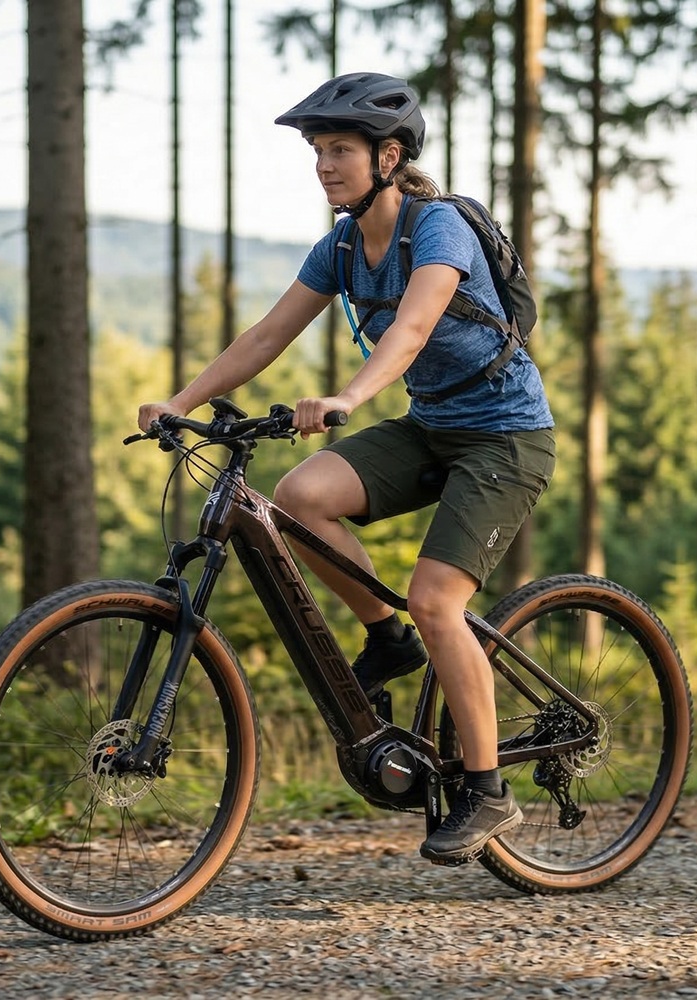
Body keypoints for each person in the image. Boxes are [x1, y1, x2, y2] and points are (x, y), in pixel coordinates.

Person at [137, 72, 557, 864]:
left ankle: (488, 791)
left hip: (506, 439)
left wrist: (348, 396)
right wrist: (179, 401)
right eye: (319, 151)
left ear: (388, 157)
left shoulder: (438, 228)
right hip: (432, 428)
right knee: (299, 496)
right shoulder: (340, 247)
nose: (325, 165)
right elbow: (268, 336)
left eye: (340, 150)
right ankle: (386, 640)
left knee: (438, 600)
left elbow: (413, 327)